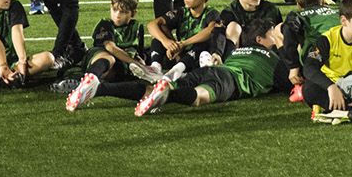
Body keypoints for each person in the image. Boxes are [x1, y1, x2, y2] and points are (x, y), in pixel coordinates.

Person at [122, 18, 291, 116]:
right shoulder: (274, 60)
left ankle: (101, 88)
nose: (275, 40)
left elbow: (231, 29)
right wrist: (282, 44)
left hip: (212, 69)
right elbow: (290, 82)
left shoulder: (239, 51)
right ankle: (167, 96)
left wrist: (217, 52)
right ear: (259, 40)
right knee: (199, 97)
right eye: (272, 36)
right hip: (230, 80)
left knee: (153, 89)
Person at [59, 0, 148, 111]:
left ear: (133, 13)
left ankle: (83, 85)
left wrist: (141, 62)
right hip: (99, 57)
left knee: (117, 73)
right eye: (115, 10)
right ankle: (89, 80)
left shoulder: (137, 27)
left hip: (122, 65)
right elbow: (110, 47)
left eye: (123, 12)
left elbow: (139, 51)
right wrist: (133, 62)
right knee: (109, 58)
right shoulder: (105, 24)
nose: (117, 15)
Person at [146, 0, 222, 71]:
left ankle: (176, 71)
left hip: (197, 58)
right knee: (159, 34)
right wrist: (168, 42)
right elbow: (151, 25)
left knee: (201, 44)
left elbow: (211, 31)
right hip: (178, 55)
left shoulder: (212, 13)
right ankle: (155, 68)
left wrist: (183, 44)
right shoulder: (181, 12)